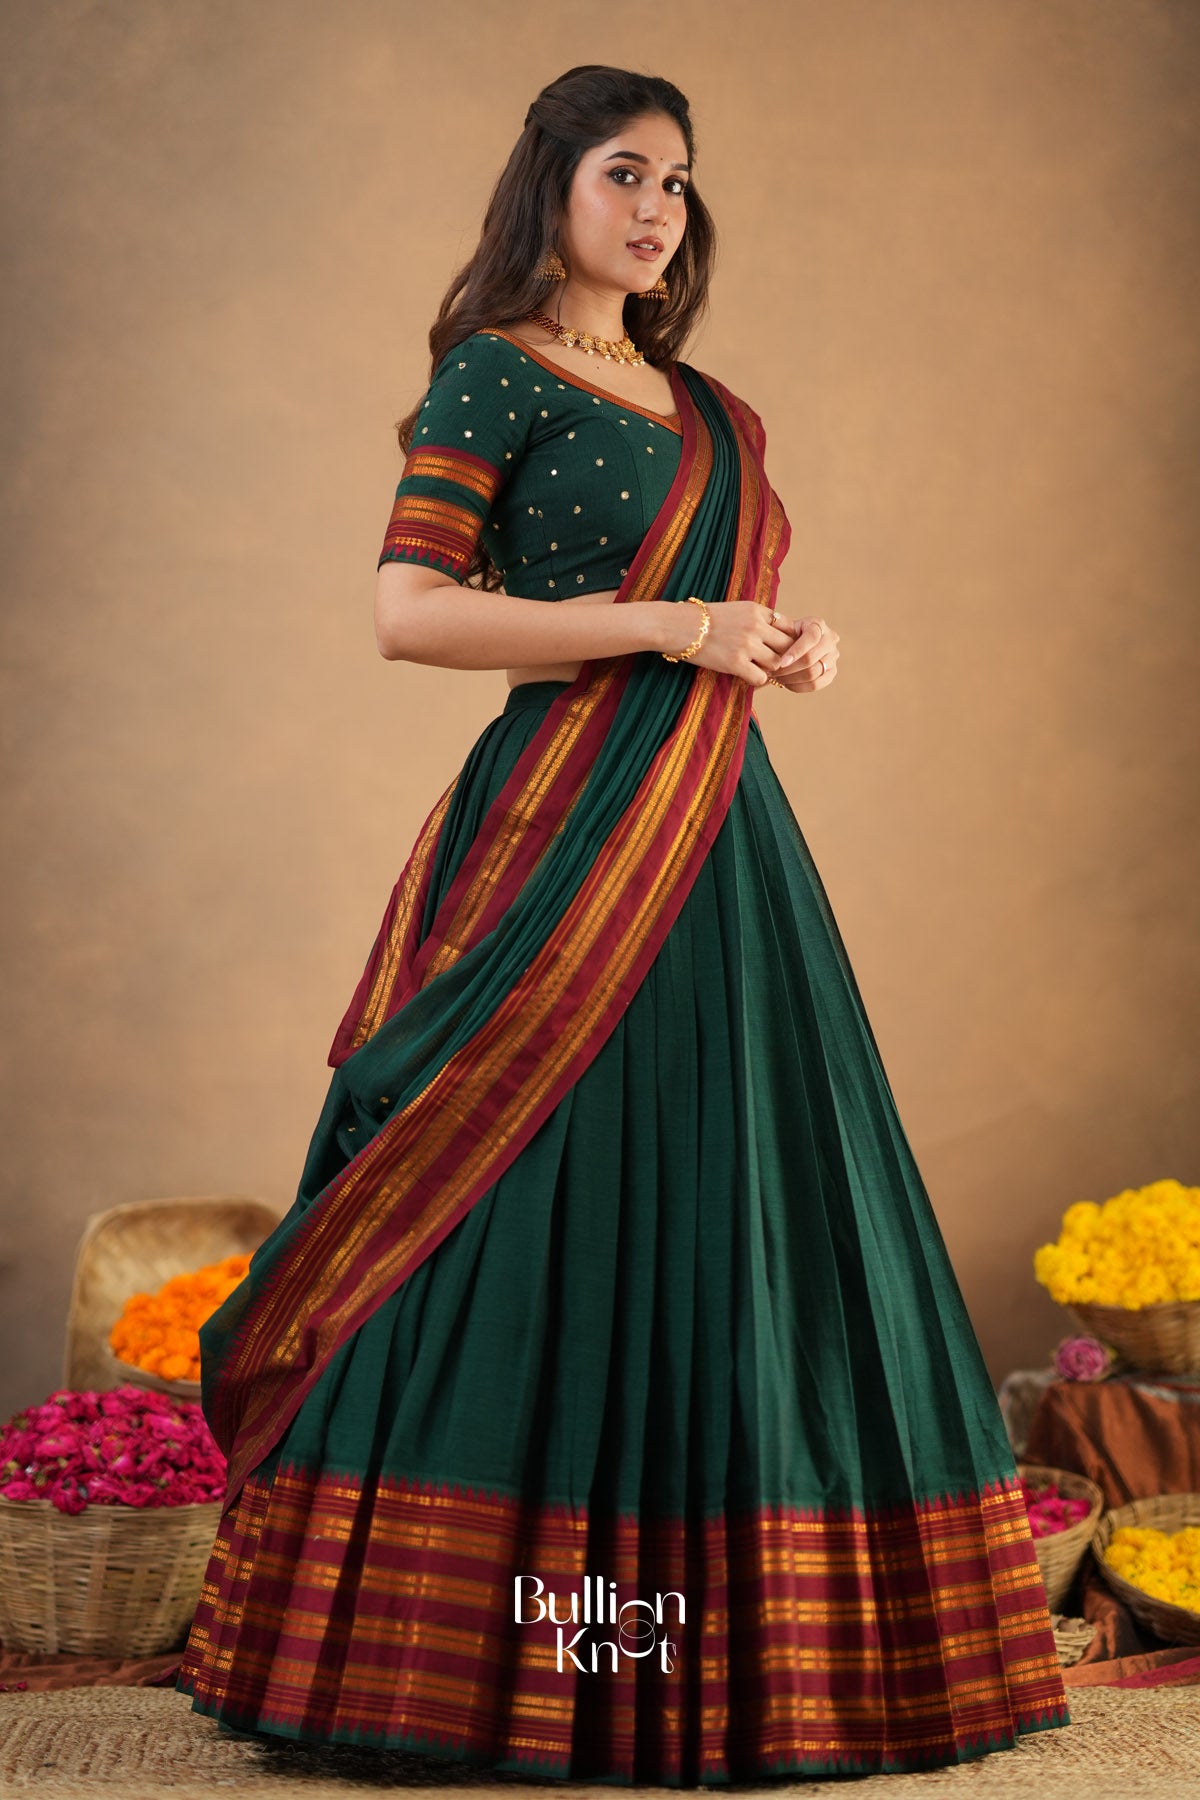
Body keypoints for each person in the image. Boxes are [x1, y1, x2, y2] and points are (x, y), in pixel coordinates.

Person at [175, 63, 1071, 1787]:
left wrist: (795, 648)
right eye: (622, 173)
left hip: (717, 842)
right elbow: (410, 616)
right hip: (558, 840)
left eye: (678, 180)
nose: (657, 207)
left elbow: (739, 618)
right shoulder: (490, 374)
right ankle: (504, 1655)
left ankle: (720, 1654)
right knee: (520, 1205)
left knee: (736, 1199)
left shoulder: (716, 408)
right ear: (551, 192)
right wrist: (677, 628)